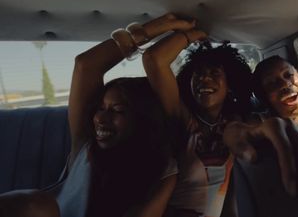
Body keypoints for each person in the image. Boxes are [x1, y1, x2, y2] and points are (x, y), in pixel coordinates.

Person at [143, 14, 298, 216]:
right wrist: (195, 34)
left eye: (214, 73)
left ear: (231, 84)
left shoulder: (238, 119)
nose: (204, 79)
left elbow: (240, 132)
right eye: (198, 74)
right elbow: (154, 59)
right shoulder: (181, 117)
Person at [0, 14, 196, 217]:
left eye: (118, 110)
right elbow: (86, 65)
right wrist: (150, 30)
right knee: (34, 206)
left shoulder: (161, 168)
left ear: (143, 119)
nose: (100, 119)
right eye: (101, 108)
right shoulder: (86, 147)